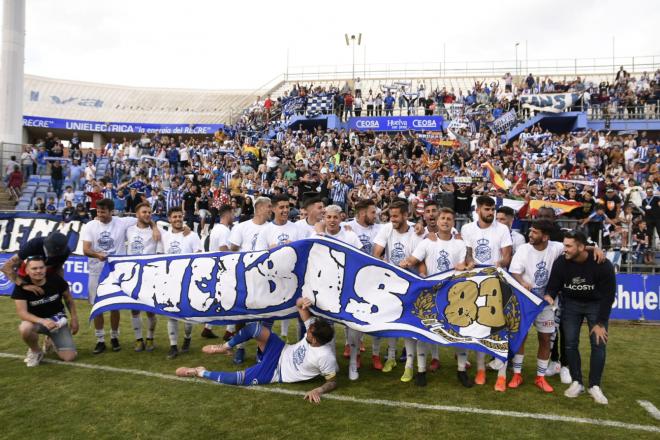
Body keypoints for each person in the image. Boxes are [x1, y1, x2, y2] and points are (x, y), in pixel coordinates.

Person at [176, 297, 338, 405]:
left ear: (315, 339)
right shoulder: (315, 330)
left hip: (276, 371)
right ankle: (226, 346)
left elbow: (332, 381)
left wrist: (318, 389)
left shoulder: (325, 356)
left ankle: (200, 372)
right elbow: (299, 305)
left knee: (237, 379)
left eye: (309, 331)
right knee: (255, 329)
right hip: (281, 350)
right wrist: (301, 301)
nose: (307, 329)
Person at [400, 207, 471, 387]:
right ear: (437, 222)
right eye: (442, 219)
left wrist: (467, 265)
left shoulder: (460, 244)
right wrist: (406, 262)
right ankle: (421, 371)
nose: (445, 221)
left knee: (460, 333)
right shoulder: (427, 242)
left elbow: (467, 263)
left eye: (449, 219)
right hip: (431, 294)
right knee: (424, 333)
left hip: (455, 295)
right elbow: (413, 260)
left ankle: (462, 370)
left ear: (453, 223)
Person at [545, 230, 616, 404]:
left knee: (598, 343)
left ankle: (595, 385)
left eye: (569, 246)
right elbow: (553, 286)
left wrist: (600, 322)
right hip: (571, 305)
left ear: (581, 247)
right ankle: (577, 382)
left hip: (596, 305)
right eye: (564, 245)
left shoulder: (602, 264)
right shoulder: (561, 262)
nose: (565, 249)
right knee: (570, 343)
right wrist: (549, 296)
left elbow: (608, 295)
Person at [81, 198, 160, 354]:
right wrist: (97, 254)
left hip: (115, 271)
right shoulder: (90, 225)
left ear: (112, 212)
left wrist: (155, 226)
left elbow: (144, 216)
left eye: (103, 212)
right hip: (96, 271)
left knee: (114, 306)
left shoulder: (122, 222)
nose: (100, 215)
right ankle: (100, 340)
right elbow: (85, 249)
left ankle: (114, 337)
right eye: (98, 211)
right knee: (97, 306)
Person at [460, 195, 512, 391]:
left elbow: (507, 256)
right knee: (479, 327)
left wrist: (499, 263)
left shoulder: (503, 229)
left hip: (498, 284)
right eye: (487, 209)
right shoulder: (467, 229)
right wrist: (469, 261)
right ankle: (480, 369)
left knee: (500, 329)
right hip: (475, 283)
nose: (491, 213)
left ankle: (502, 373)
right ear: (478, 210)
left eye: (493, 209)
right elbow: (466, 253)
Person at [507, 220, 565, 393]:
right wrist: (523, 282)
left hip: (546, 303)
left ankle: (540, 377)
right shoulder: (524, 249)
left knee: (545, 339)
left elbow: (575, 247)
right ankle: (517, 374)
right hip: (525, 301)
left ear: (545, 236)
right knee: (521, 336)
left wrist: (595, 249)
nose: (530, 234)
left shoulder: (556, 247)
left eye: (534, 232)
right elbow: (514, 272)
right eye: (530, 231)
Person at [372, 200, 423, 382]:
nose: (392, 219)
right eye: (390, 215)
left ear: (405, 216)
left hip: (410, 283)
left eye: (395, 216)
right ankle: (391, 358)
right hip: (391, 282)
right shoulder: (387, 229)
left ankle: (409, 366)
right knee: (392, 322)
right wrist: (382, 260)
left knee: (408, 326)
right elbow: (376, 251)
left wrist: (406, 263)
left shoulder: (416, 232)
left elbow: (416, 258)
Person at [313, 204, 364, 380]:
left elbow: (360, 258)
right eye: (328, 217)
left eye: (335, 217)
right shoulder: (317, 235)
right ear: (324, 218)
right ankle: (332, 361)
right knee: (327, 327)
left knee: (352, 327)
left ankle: (352, 364)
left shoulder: (350, 235)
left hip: (347, 288)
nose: (332, 220)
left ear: (341, 218)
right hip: (325, 288)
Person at [227, 196, 273, 364]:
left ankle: (262, 350)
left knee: (265, 315)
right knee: (241, 315)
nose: (271, 209)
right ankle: (240, 348)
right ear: (259, 208)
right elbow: (232, 250)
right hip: (244, 278)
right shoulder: (242, 227)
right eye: (269, 207)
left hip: (265, 278)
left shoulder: (272, 228)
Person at [11, 255, 78, 367]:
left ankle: (50, 339)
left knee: (69, 357)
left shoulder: (56, 279)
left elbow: (69, 299)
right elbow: (22, 313)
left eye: (41, 267)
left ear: (45, 268)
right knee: (24, 328)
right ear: (27, 270)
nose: (38, 271)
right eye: (34, 268)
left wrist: (74, 319)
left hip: (57, 321)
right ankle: (36, 351)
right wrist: (43, 321)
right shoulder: (22, 286)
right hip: (36, 322)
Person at [161, 206, 204, 360]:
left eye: (180, 216)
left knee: (186, 316)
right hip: (170, 281)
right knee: (171, 314)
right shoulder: (164, 237)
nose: (178, 219)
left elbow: (200, 256)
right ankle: (173, 346)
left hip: (187, 281)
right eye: (174, 217)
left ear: (183, 217)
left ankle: (187, 338)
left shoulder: (192, 235)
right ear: (169, 219)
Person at [344, 199, 381, 369]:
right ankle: (354, 349)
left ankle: (376, 354)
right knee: (354, 316)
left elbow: (404, 224)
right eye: (373, 212)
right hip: (354, 279)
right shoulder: (347, 227)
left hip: (374, 279)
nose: (376, 215)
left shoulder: (380, 228)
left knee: (376, 317)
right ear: (362, 213)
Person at [126, 202, 165, 353]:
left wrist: (154, 227)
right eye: (144, 212)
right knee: (134, 310)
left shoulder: (157, 232)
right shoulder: (128, 230)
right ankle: (138, 339)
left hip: (149, 276)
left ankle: (150, 338)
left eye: (149, 212)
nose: (147, 214)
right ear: (137, 214)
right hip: (132, 276)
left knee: (150, 310)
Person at [1, 232, 70, 288]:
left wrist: (61, 285)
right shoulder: (33, 245)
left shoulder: (65, 252)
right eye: (51, 251)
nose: (53, 254)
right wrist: (23, 285)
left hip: (49, 273)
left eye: (56, 253)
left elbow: (59, 268)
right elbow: (6, 267)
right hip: (25, 273)